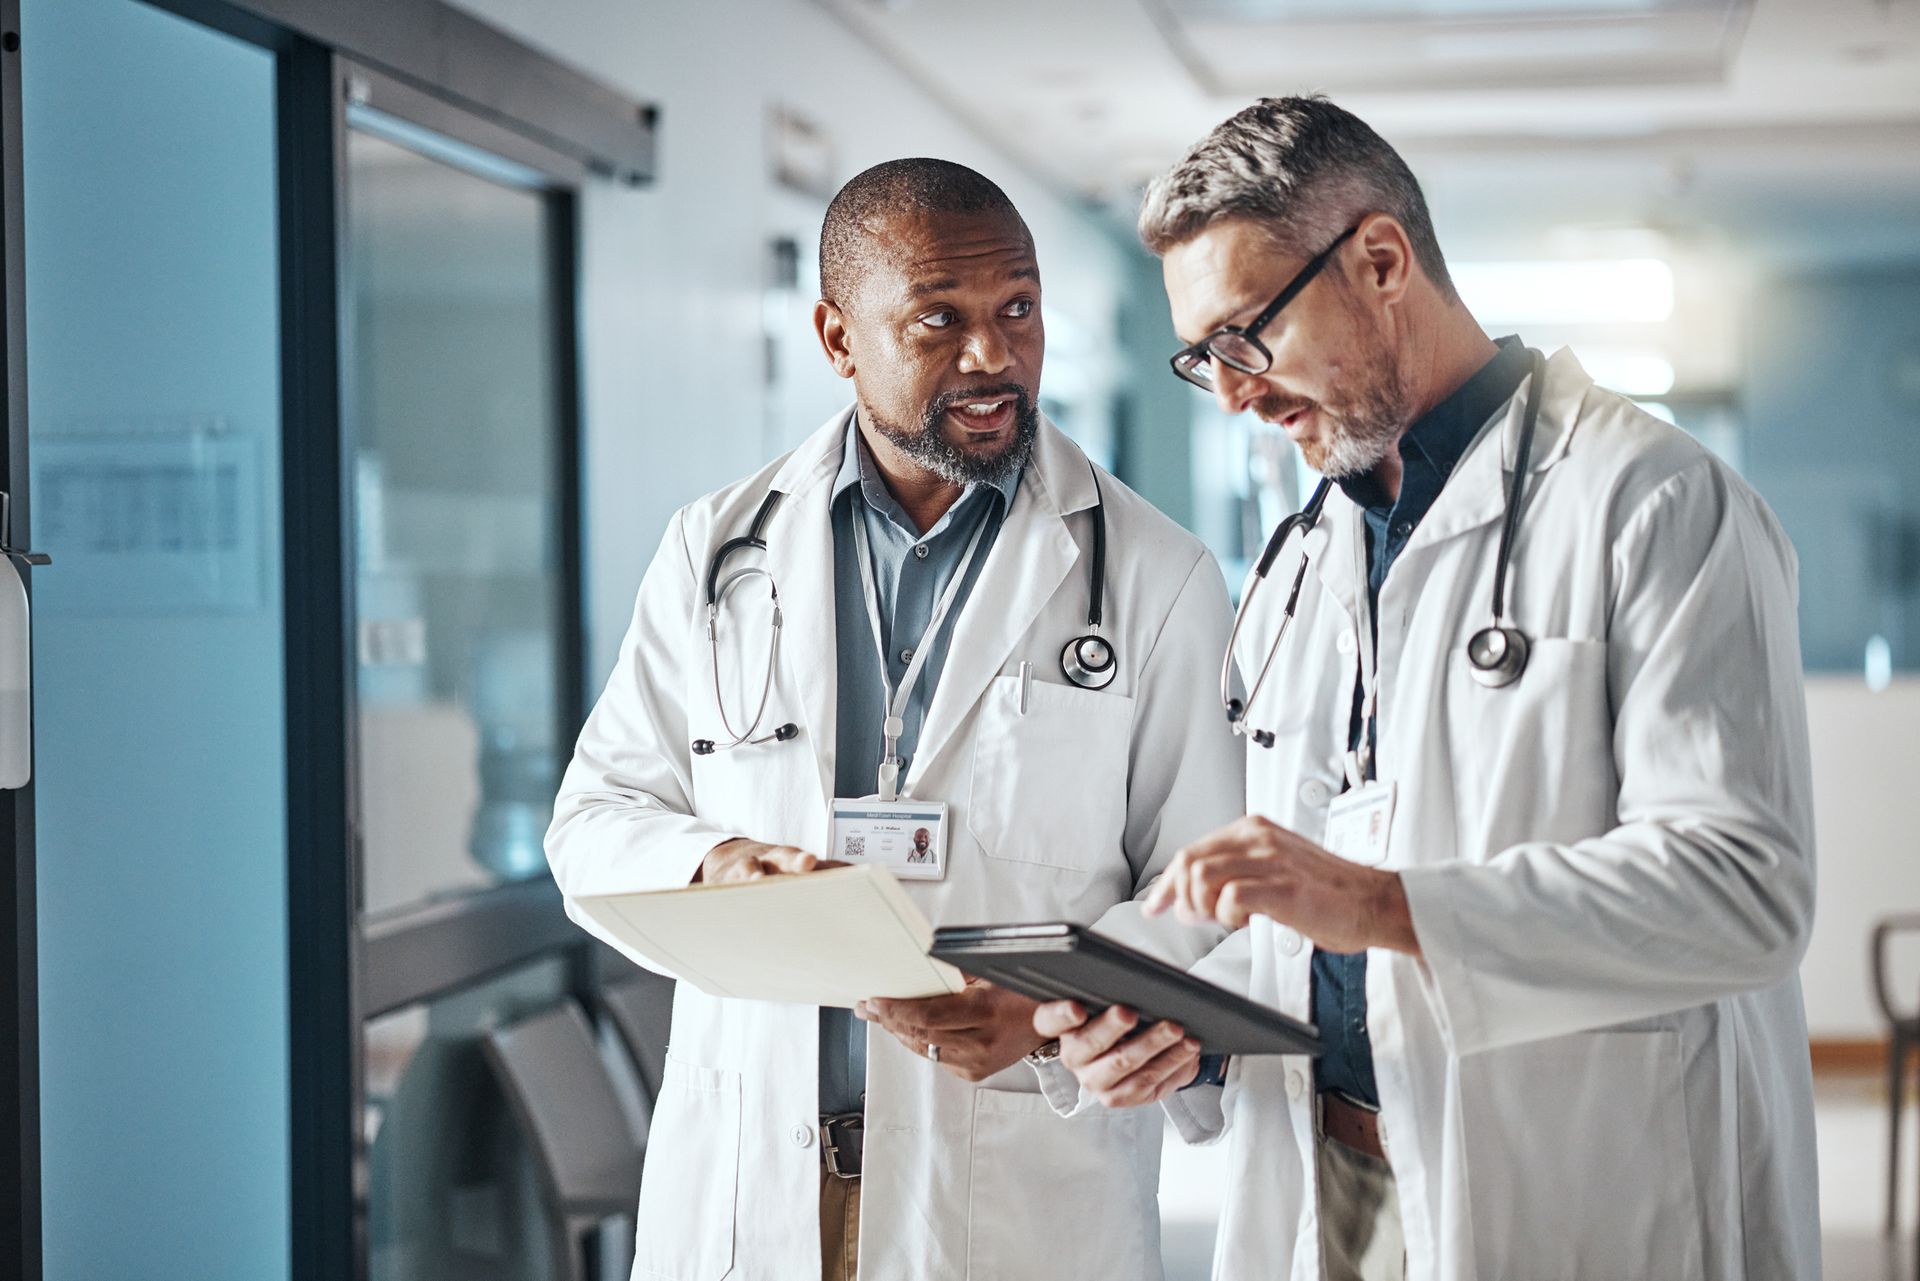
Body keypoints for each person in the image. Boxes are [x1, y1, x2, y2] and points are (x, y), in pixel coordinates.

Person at [1037, 96, 1820, 1281]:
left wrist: (1387, 906)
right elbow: (1316, 921)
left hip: (1582, 1178)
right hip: (1339, 1187)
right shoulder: (1305, 562)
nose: (1236, 392)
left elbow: (1744, 889)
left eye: (1248, 335)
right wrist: (1180, 1031)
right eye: (1205, 358)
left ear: (1382, 259)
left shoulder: (1653, 502)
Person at [546, 158, 1241, 1281]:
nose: (992, 356)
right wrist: (714, 865)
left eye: (1018, 309)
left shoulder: (1156, 577)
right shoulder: (715, 551)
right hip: (750, 1185)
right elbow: (593, 822)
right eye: (940, 320)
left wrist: (1054, 1013)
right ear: (837, 337)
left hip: (1014, 1194)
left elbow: (1207, 898)